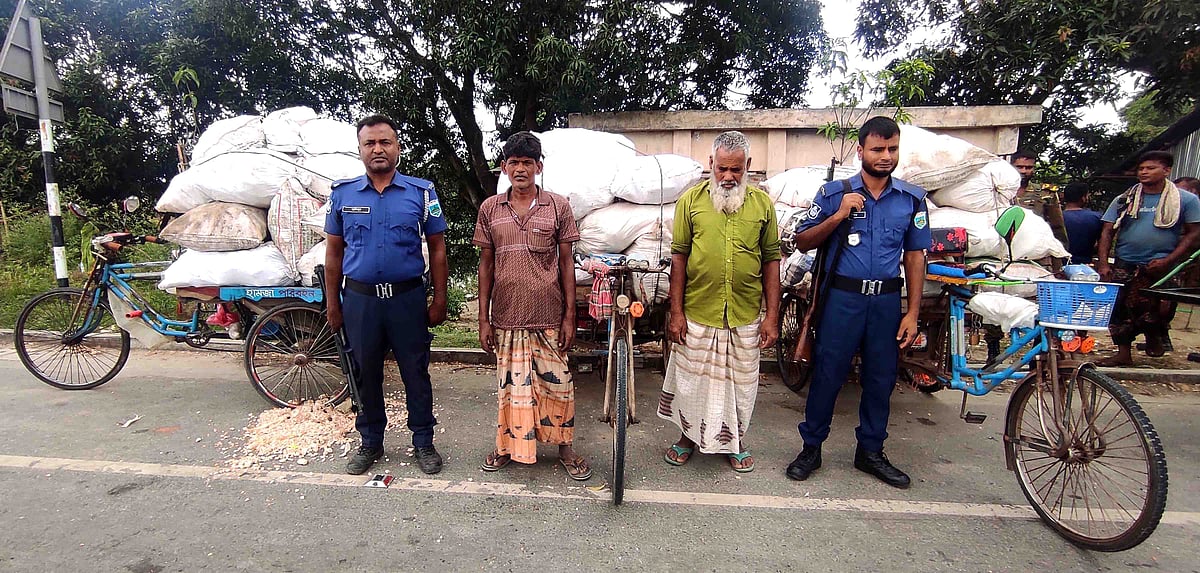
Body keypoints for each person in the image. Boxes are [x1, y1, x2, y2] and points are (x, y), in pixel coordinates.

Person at [786, 116, 931, 489]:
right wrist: (839, 215)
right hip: (842, 299)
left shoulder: (911, 199)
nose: (885, 156)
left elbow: (915, 257)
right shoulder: (834, 193)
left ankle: (870, 451)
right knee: (828, 374)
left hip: (884, 302)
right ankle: (811, 447)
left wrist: (912, 313)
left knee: (880, 379)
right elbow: (803, 241)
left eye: (892, 149)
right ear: (861, 150)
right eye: (878, 149)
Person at [324, 114, 449, 475]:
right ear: (360, 149)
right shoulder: (343, 194)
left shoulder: (421, 193)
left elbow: (438, 248)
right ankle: (370, 442)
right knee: (365, 373)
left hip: (406, 299)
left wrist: (438, 298)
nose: (378, 149)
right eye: (370, 143)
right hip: (360, 301)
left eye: (385, 142)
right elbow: (333, 254)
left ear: (397, 146)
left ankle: (423, 442)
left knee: (416, 372)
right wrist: (334, 304)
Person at [658, 130, 781, 473]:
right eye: (722, 169)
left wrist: (772, 317)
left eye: (736, 170)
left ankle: (734, 442)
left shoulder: (762, 204)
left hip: (744, 312)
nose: (728, 177)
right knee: (691, 380)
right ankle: (687, 438)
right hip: (698, 309)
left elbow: (772, 260)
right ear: (711, 164)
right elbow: (679, 258)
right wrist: (676, 312)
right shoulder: (691, 201)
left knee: (740, 383)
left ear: (748, 167)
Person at [473, 132, 591, 481]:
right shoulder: (490, 209)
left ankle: (565, 447)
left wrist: (571, 315)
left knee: (559, 386)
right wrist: (483, 318)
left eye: (528, 162)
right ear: (504, 167)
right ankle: (508, 446)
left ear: (539, 166)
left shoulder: (558, 206)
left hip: (549, 313)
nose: (521, 169)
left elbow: (567, 262)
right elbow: (485, 265)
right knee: (511, 389)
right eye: (514, 162)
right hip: (507, 316)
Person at [1095, 151, 1200, 365]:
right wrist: (1104, 263)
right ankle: (1123, 353)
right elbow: (1107, 230)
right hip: (1125, 261)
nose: (1144, 172)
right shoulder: (1125, 199)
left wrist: (1170, 260)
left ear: (1166, 170)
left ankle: (1154, 336)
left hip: (1163, 264)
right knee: (1118, 308)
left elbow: (1194, 232)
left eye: (1150, 168)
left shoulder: (1185, 200)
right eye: (1141, 168)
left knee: (1159, 308)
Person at [1010, 150, 1070, 248]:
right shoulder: (999, 191)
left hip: (1035, 248)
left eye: (1028, 167)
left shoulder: (1046, 193)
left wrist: (1060, 251)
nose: (1024, 171)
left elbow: (1057, 227)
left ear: (1034, 169)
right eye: (1019, 167)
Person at [1061, 182, 1104, 265]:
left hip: (1059, 264)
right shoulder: (1096, 218)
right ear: (1083, 198)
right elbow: (1101, 244)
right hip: (1084, 265)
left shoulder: (1055, 218)